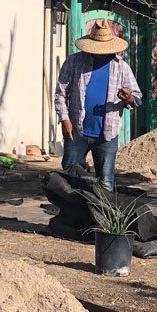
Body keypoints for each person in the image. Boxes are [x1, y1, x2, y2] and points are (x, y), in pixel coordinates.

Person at [54, 20, 142, 190]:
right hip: (76, 131)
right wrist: (64, 119)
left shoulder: (122, 67)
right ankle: (71, 216)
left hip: (107, 134)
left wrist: (128, 98)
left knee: (105, 184)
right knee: (70, 180)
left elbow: (137, 98)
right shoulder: (74, 62)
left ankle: (101, 216)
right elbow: (60, 93)